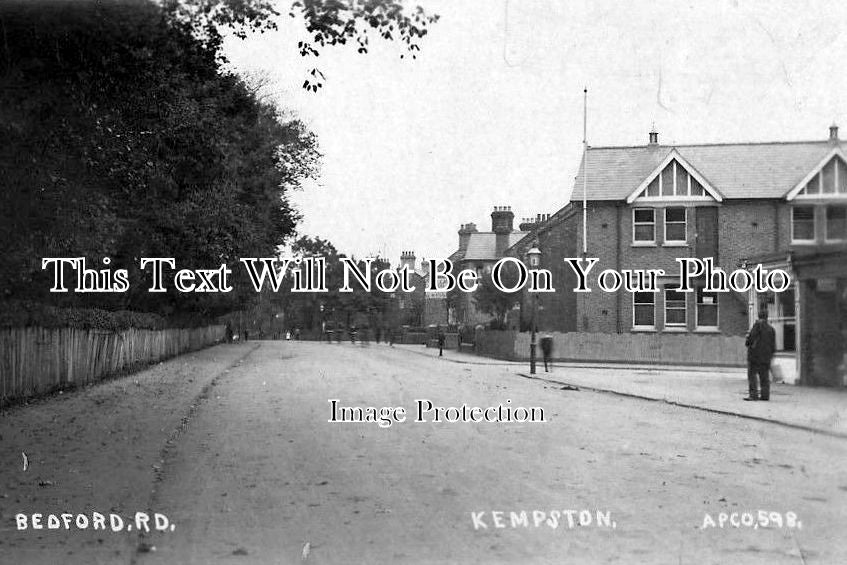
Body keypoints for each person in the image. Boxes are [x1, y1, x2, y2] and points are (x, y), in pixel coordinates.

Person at [745, 309, 776, 401]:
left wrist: (747, 342)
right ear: (767, 317)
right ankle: (765, 395)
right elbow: (773, 345)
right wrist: (771, 355)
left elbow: (750, 339)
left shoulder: (757, 326)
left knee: (752, 375)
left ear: (759, 316)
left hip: (755, 356)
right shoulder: (771, 329)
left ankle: (753, 395)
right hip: (766, 357)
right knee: (764, 377)